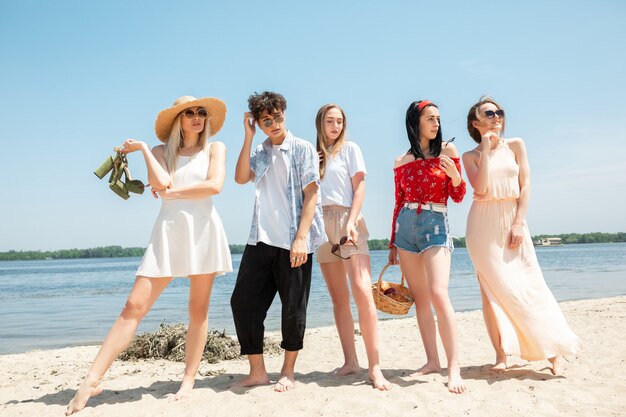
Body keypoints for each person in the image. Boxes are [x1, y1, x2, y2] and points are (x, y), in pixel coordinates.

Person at [66, 95, 233, 414]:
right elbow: (163, 181)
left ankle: (188, 378)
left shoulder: (216, 148)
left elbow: (215, 186)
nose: (197, 117)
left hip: (203, 230)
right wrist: (143, 148)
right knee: (134, 305)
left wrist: (174, 193)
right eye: (189, 113)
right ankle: (91, 380)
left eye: (201, 113)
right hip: (168, 231)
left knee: (197, 309)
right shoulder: (159, 152)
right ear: (178, 120)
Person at [462, 96, 580, 375]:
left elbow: (526, 186)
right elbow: (479, 189)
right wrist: (487, 152)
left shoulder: (516, 145)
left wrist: (518, 222)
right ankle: (501, 355)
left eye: (499, 112)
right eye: (489, 113)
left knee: (530, 285)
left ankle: (553, 353)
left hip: (512, 219)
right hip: (482, 225)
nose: (497, 117)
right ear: (476, 123)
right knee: (491, 292)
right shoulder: (471, 156)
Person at [230, 91, 324, 392]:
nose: (274, 124)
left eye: (278, 117)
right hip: (260, 240)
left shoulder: (303, 148)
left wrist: (301, 239)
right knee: (243, 303)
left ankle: (288, 372)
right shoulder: (260, 150)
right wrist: (247, 137)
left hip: (293, 241)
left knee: (293, 309)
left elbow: (312, 196)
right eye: (267, 121)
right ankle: (257, 372)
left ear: (284, 113)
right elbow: (241, 177)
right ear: (258, 122)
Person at [388, 99, 467, 394]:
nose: (435, 123)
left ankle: (454, 366)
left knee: (438, 292)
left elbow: (458, 195)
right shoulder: (401, 161)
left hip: (436, 223)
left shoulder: (448, 151)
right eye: (430, 119)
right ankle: (432, 361)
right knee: (421, 298)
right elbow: (398, 201)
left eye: (437, 119)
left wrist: (455, 176)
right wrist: (393, 240)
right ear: (415, 123)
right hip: (406, 227)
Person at [314, 104, 391, 390]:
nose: (335, 125)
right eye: (330, 121)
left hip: (348, 219)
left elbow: (359, 188)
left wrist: (352, 221)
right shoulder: (315, 155)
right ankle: (351, 362)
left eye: (339, 121)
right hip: (322, 224)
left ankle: (375, 367)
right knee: (338, 298)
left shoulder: (350, 149)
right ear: (320, 123)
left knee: (362, 291)